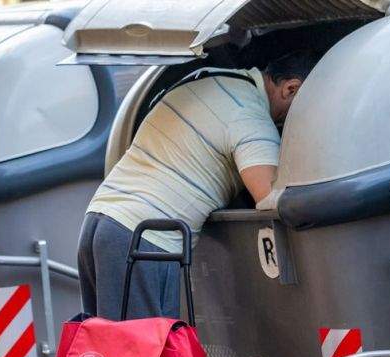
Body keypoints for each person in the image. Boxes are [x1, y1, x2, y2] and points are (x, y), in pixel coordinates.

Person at [78, 51, 313, 320]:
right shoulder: (249, 114)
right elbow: (269, 197)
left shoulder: (207, 78)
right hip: (145, 240)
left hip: (99, 222)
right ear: (290, 88)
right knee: (141, 355)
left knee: (105, 351)